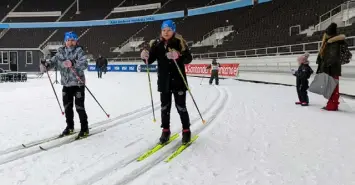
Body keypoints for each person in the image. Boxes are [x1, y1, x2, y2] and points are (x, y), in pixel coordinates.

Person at [140, 19, 193, 144]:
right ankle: (165, 130)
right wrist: (145, 56)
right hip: (164, 81)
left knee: (181, 107)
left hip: (178, 81)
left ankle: (186, 131)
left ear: (173, 30)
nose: (166, 32)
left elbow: (188, 58)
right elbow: (150, 60)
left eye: (169, 30)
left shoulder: (180, 42)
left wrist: (178, 55)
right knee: (165, 108)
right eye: (164, 30)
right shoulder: (157, 44)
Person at [41, 31, 89, 139]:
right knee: (67, 107)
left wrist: (73, 63)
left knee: (79, 107)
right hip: (66, 85)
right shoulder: (60, 52)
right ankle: (70, 127)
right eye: (68, 40)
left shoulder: (79, 51)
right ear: (65, 41)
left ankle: (84, 128)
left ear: (76, 41)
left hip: (78, 84)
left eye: (72, 40)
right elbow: (53, 62)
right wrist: (46, 64)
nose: (70, 42)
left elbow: (85, 64)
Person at [316, 23, 347, 111]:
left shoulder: (332, 43)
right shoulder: (332, 42)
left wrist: (325, 64)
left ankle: (332, 105)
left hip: (331, 69)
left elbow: (332, 57)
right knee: (332, 87)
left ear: (329, 34)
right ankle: (332, 104)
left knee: (332, 88)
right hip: (332, 69)